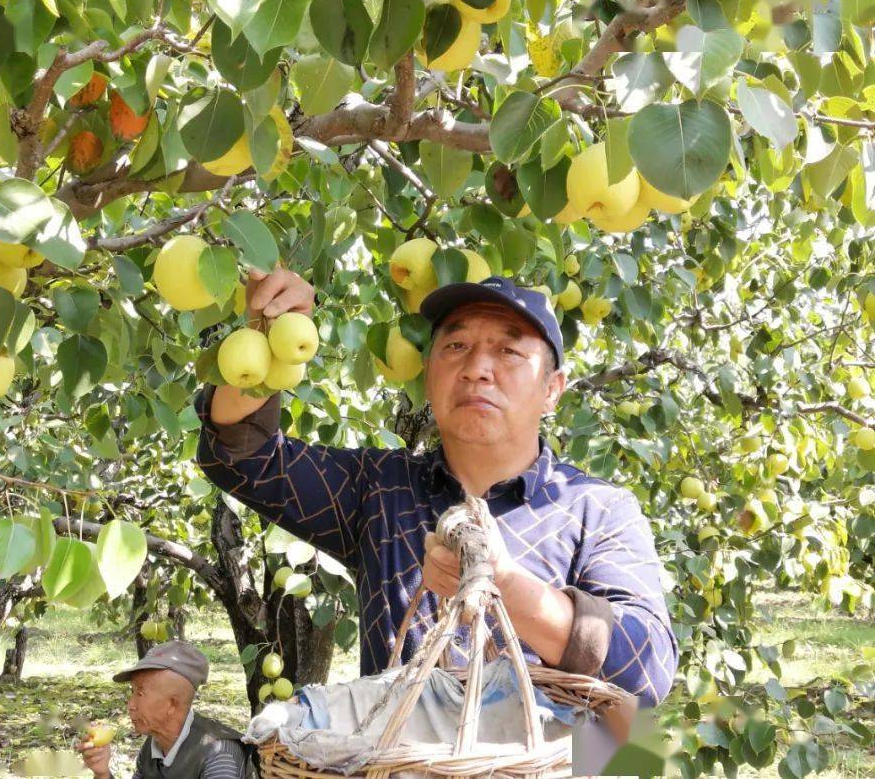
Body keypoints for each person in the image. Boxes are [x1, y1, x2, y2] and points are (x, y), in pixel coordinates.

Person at [195, 268, 678, 715]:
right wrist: (265, 338)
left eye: (508, 351)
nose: (476, 368)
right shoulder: (381, 488)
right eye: (455, 347)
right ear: (428, 377)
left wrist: (502, 582)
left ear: (552, 389)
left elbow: (647, 669)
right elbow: (241, 457)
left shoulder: (597, 508)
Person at [79, 641, 254, 779]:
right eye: (132, 692)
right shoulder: (153, 746)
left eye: (140, 693)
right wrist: (102, 773)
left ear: (172, 705)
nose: (130, 704)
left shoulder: (218, 753)